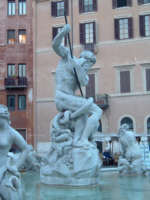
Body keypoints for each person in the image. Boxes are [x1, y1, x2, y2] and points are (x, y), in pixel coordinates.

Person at [52, 24, 103, 147]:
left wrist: (78, 67)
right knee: (97, 111)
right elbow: (55, 45)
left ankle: (77, 140)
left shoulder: (83, 74)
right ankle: (83, 140)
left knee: (84, 115)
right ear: (84, 59)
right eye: (90, 63)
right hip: (62, 97)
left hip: (69, 101)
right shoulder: (67, 57)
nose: (89, 67)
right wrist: (63, 33)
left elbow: (83, 81)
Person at [0, 104, 30, 200]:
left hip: (3, 169)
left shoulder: (11, 133)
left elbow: (25, 148)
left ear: (3, 118)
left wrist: (15, 166)